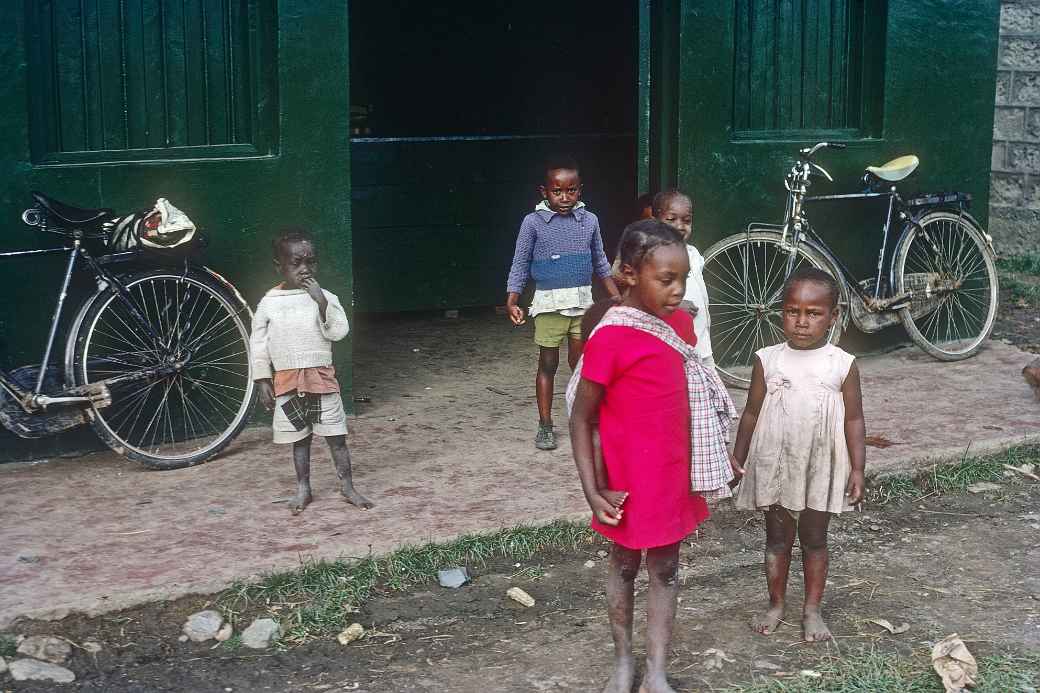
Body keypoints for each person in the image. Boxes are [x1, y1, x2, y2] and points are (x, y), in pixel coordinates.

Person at [568, 219, 734, 693]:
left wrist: (720, 455)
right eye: (666, 279)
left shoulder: (680, 324)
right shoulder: (610, 337)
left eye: (683, 278)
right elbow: (581, 419)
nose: (678, 290)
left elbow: (695, 400)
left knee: (666, 569)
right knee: (623, 564)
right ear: (628, 274)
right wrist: (593, 489)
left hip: (672, 477)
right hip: (627, 480)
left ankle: (657, 672)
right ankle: (624, 662)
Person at [731, 266, 866, 642]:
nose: (802, 322)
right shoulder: (768, 359)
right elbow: (752, 412)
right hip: (777, 464)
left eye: (813, 313)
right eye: (793, 311)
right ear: (781, 312)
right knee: (776, 539)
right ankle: (776, 605)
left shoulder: (842, 364)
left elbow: (854, 419)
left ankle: (812, 610)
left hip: (819, 466)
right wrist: (737, 455)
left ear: (833, 316)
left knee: (815, 539)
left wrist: (858, 468)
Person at [250, 229, 373, 514]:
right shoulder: (269, 302)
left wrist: (321, 303)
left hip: (321, 381)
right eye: (296, 263)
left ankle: (348, 486)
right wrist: (262, 379)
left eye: (311, 262)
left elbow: (339, 331)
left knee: (337, 438)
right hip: (288, 382)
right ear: (279, 266)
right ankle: (303, 488)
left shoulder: (326, 296)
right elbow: (258, 342)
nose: (305, 269)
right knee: (299, 440)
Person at [505, 157, 620, 450]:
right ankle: (545, 424)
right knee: (548, 362)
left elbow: (600, 262)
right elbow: (520, 262)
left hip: (582, 303)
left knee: (580, 365)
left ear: (580, 190)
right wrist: (513, 298)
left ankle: (583, 419)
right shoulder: (533, 223)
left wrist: (616, 297)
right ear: (544, 192)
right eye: (557, 191)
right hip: (549, 305)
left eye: (571, 190)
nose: (564, 197)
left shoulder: (590, 220)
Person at [652, 190, 715, 369]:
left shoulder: (693, 254)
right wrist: (675, 306)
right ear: (656, 221)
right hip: (675, 345)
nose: (680, 226)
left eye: (686, 220)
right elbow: (640, 296)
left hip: (702, 344)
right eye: (671, 220)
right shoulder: (653, 257)